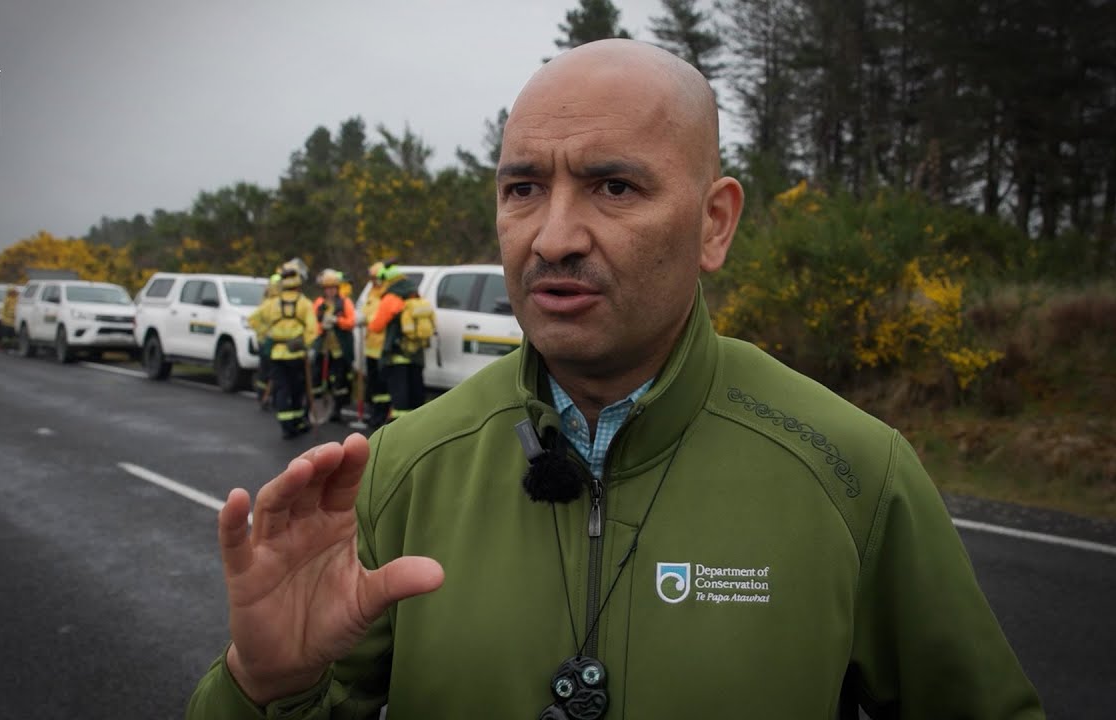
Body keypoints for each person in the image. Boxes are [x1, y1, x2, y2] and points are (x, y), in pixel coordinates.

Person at [188, 40, 1044, 719]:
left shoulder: (854, 472)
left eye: (614, 186)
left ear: (714, 223)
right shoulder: (404, 468)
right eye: (525, 188)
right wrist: (264, 688)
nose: (554, 236)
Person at [249, 260, 319, 439]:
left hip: (277, 354)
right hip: (296, 355)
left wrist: (266, 335)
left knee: (282, 389)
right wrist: (305, 344)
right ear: (298, 284)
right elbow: (313, 330)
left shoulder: (272, 303)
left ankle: (287, 425)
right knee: (297, 390)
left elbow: (253, 319)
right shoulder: (304, 303)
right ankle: (297, 422)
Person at [366, 262, 427, 422]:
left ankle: (400, 427)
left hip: (397, 354)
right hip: (416, 354)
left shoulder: (391, 298)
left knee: (400, 396)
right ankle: (418, 425)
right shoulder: (414, 293)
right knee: (415, 392)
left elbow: (376, 326)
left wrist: (368, 320)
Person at [311, 268, 356, 424]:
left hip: (339, 349)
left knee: (340, 380)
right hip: (323, 348)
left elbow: (351, 322)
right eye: (327, 288)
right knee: (318, 378)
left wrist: (338, 321)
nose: (330, 291)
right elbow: (313, 323)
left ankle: (338, 408)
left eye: (333, 288)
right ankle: (317, 406)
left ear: (337, 288)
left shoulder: (345, 302)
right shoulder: (319, 303)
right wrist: (322, 326)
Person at [357, 261, 391, 428]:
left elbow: (381, 318)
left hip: (382, 348)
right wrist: (361, 317)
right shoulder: (372, 293)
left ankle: (381, 415)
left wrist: (367, 319)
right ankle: (374, 414)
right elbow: (366, 311)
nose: (373, 281)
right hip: (370, 347)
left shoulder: (387, 295)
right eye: (371, 278)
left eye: (375, 278)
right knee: (374, 384)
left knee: (382, 385)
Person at [254, 273, 283, 411]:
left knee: (266, 372)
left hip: (266, 342)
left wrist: (263, 333)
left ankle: (264, 397)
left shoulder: (266, 302)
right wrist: (267, 332)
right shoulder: (275, 303)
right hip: (271, 342)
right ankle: (267, 397)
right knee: (272, 372)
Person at [0, 286, 19, 351]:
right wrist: (3, 318)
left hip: (14, 322)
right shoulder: (7, 299)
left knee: (13, 336)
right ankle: (6, 347)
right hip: (7, 321)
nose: (12, 293)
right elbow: (3, 310)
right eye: (10, 292)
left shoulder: (17, 299)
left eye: (13, 292)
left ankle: (13, 347)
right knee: (6, 337)